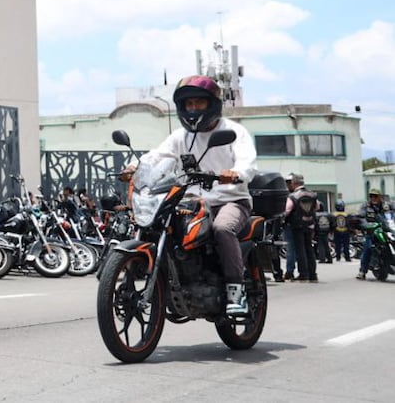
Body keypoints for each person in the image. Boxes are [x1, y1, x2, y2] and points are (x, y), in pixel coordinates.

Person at [133, 76, 257, 316]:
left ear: (212, 104)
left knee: (222, 229)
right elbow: (157, 156)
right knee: (160, 225)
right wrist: (133, 167)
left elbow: (247, 162)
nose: (192, 109)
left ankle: (236, 289)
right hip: (191, 202)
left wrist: (236, 173)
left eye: (198, 103)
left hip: (230, 201)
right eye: (188, 104)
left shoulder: (233, 131)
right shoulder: (181, 136)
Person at [283, 174, 318, 282]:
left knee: (300, 250)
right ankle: (313, 274)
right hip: (310, 225)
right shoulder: (312, 194)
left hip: (297, 225)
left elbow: (287, 210)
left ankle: (303, 274)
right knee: (309, 249)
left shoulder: (293, 196)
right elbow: (316, 207)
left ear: (294, 183)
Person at [356, 188, 392, 280]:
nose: (373, 198)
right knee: (368, 247)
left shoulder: (386, 205)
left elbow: (392, 214)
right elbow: (361, 217)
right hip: (372, 231)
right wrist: (366, 225)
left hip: (386, 230)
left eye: (375, 196)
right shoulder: (366, 205)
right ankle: (362, 271)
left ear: (380, 197)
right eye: (371, 196)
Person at [313, 199, 333, 264]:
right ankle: (329, 258)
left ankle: (322, 259)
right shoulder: (328, 214)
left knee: (321, 245)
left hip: (319, 231)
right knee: (326, 245)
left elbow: (314, 223)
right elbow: (332, 222)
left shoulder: (315, 215)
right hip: (326, 231)